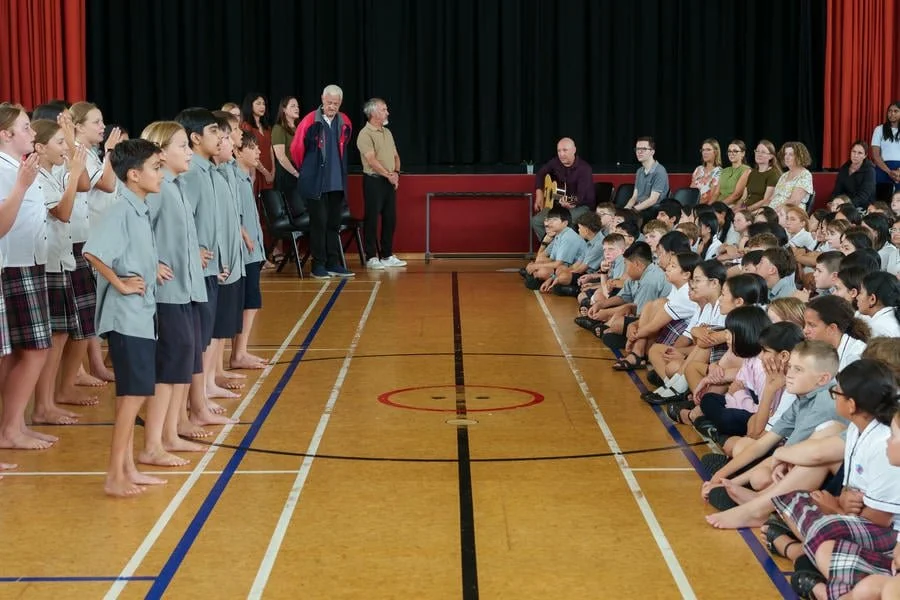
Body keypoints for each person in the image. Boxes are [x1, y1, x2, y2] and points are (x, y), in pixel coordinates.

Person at [82, 139, 166, 497]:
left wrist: (153, 268)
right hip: (126, 318)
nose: (160, 174)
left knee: (136, 395)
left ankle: (128, 468)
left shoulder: (140, 208)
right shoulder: (120, 210)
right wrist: (119, 282)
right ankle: (114, 476)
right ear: (134, 174)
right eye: (156, 168)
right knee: (130, 398)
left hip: (142, 316)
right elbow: (93, 252)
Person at [140, 120, 210, 465]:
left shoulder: (177, 186)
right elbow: (138, 228)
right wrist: (150, 263)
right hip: (165, 293)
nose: (188, 152)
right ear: (161, 152)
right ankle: (152, 444)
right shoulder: (158, 189)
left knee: (180, 361)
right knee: (167, 365)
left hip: (184, 289)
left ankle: (168, 434)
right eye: (181, 146)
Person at [0, 103, 52, 451]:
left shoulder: (19, 166)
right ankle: (10, 428)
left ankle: (14, 424)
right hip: (16, 264)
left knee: (26, 349)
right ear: (6, 135)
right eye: (25, 127)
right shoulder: (6, 170)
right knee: (33, 349)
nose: (33, 133)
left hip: (30, 260)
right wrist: (21, 185)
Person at [31, 118, 88, 427]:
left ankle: (48, 401)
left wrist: (73, 172)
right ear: (40, 147)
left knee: (62, 332)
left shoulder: (52, 174)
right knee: (52, 337)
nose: (64, 148)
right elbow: (63, 212)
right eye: (59, 143)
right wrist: (74, 174)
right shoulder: (38, 177)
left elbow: (79, 186)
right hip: (48, 263)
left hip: (60, 260)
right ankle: (42, 404)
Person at [290, 84, 355, 279]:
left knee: (334, 224)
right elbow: (296, 149)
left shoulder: (345, 122)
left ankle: (333, 263)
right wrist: (309, 169)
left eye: (336, 103)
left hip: (336, 182)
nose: (332, 106)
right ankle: (318, 265)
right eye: (329, 102)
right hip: (316, 182)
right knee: (319, 224)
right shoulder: (310, 120)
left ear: (340, 103)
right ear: (322, 99)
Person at [230, 131, 269, 370]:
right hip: (245, 252)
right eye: (252, 148)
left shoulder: (246, 177)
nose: (258, 152)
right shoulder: (234, 177)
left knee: (251, 302)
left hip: (254, 251)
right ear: (237, 151)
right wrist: (244, 234)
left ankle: (240, 352)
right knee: (248, 303)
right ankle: (238, 354)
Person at [358, 97, 406, 270]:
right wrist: (388, 175)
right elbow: (371, 160)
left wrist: (396, 174)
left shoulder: (387, 132)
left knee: (390, 218)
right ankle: (371, 256)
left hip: (389, 181)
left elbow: (395, 155)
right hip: (374, 181)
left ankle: (387, 254)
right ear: (373, 113)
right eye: (384, 109)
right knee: (372, 219)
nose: (387, 112)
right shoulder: (365, 134)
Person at [530, 137, 595, 240]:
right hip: (559, 204)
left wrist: (569, 202)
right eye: (559, 151)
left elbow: (580, 197)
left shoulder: (584, 169)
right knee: (536, 221)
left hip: (581, 206)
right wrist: (539, 194)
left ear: (574, 150)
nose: (561, 154)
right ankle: (551, 248)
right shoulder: (555, 162)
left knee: (565, 222)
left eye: (565, 150)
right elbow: (540, 174)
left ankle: (565, 249)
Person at [624, 137, 669, 218]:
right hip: (639, 208)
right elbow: (634, 196)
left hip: (651, 210)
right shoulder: (639, 171)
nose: (639, 152)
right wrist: (626, 209)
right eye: (637, 149)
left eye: (644, 149)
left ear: (652, 152)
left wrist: (633, 210)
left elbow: (653, 200)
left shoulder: (659, 171)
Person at [240, 93, 275, 197]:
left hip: (269, 171)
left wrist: (273, 170)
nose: (262, 106)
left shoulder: (267, 127)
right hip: (256, 170)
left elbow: (270, 149)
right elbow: (249, 151)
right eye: (258, 103)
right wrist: (265, 172)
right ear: (250, 106)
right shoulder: (246, 126)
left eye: (263, 104)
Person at [831, 139, 877, 209]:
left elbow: (863, 196)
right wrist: (833, 202)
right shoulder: (845, 167)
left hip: (862, 206)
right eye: (854, 151)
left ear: (865, 156)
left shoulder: (870, 170)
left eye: (860, 153)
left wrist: (847, 207)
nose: (855, 155)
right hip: (844, 204)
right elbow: (837, 190)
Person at [770, 141, 814, 210]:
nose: (786, 157)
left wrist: (774, 211)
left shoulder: (805, 175)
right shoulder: (784, 175)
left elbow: (794, 201)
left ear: (800, 157)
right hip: (774, 211)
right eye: (785, 154)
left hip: (790, 212)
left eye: (791, 154)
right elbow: (772, 198)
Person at [871, 100, 900, 194]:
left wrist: (898, 172)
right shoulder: (879, 129)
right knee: (882, 201)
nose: (892, 114)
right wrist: (889, 172)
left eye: (896, 111)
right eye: (890, 111)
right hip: (883, 168)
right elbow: (876, 155)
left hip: (899, 171)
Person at [745, 140, 782, 211]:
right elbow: (744, 197)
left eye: (763, 152)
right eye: (757, 151)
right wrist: (739, 207)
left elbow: (766, 200)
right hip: (745, 208)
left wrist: (747, 210)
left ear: (771, 156)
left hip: (759, 210)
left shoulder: (773, 174)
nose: (759, 154)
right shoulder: (752, 173)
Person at [716, 140, 751, 206]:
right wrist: (710, 206)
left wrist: (718, 206)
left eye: (735, 151)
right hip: (718, 204)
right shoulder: (724, 170)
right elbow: (716, 193)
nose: (731, 153)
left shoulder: (746, 170)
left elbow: (736, 195)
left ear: (743, 153)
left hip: (731, 206)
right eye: (729, 151)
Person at [691, 139, 722, 204]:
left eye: (708, 150)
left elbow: (711, 196)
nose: (705, 152)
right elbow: (691, 190)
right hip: (693, 203)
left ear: (715, 152)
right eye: (703, 150)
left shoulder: (719, 171)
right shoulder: (698, 169)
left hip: (706, 207)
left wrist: (695, 206)